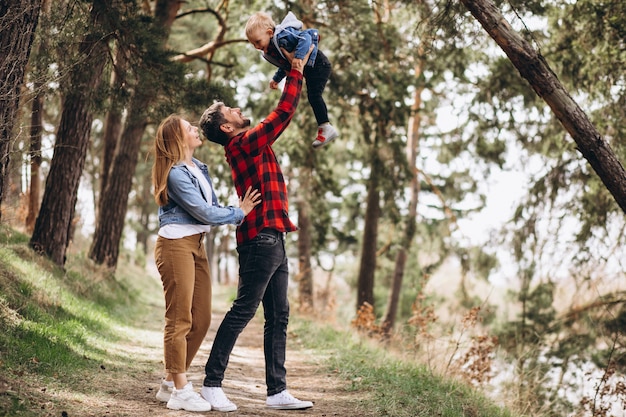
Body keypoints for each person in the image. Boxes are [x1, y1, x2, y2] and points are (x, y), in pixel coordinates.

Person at [196, 44, 314, 412]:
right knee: (244, 309)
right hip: (260, 238)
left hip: (272, 236)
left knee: (278, 316)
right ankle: (211, 384)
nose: (239, 110)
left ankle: (277, 392)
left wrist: (283, 75)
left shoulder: (248, 145)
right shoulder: (243, 144)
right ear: (227, 127)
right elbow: (283, 113)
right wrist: (295, 71)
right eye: (232, 110)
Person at [151, 114, 261, 412]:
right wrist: (238, 212)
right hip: (175, 244)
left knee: (201, 320)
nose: (195, 129)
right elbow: (204, 212)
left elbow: (208, 209)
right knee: (180, 320)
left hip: (196, 246)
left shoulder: (197, 168)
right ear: (178, 138)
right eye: (189, 128)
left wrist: (230, 211)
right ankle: (181, 391)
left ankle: (170, 382)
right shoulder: (175, 173)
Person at [245, 10, 338, 149]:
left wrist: (299, 57)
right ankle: (324, 126)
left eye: (258, 41)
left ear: (270, 33)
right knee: (313, 96)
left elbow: (306, 37)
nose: (257, 47)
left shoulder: (283, 36)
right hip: (311, 69)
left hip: (319, 64)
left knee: (314, 96)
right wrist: (276, 78)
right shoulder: (272, 49)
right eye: (253, 44)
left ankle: (325, 127)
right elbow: (285, 65)